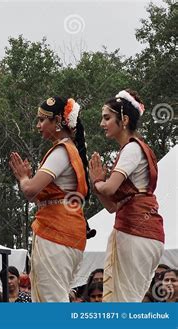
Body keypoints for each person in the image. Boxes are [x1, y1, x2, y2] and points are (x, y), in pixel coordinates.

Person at [10, 96, 89, 302]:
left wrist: (23, 177)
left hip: (57, 232)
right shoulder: (68, 150)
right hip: (64, 230)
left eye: (42, 120)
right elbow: (39, 196)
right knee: (49, 298)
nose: (38, 125)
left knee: (51, 300)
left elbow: (30, 190)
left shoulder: (62, 151)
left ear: (57, 122)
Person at [89, 89, 165, 302]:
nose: (102, 124)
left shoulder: (132, 149)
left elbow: (110, 188)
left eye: (106, 118)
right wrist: (97, 185)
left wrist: (98, 181)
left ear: (123, 119)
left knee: (125, 302)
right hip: (137, 228)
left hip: (136, 230)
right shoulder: (134, 149)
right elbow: (112, 206)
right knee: (127, 300)